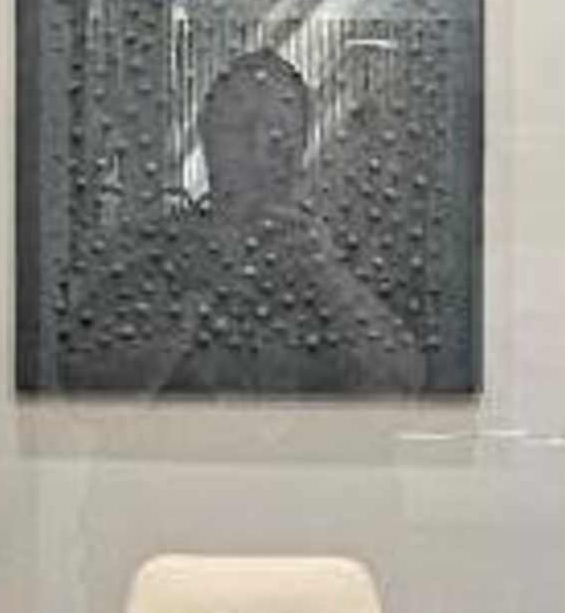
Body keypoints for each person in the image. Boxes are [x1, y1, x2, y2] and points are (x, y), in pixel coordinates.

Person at [68, 44, 421, 401]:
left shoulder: (341, 255)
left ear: (302, 148)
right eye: (240, 127)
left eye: (277, 134)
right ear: (207, 139)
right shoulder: (150, 251)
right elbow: (87, 390)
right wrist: (193, 294)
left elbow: (404, 386)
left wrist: (329, 279)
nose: (257, 148)